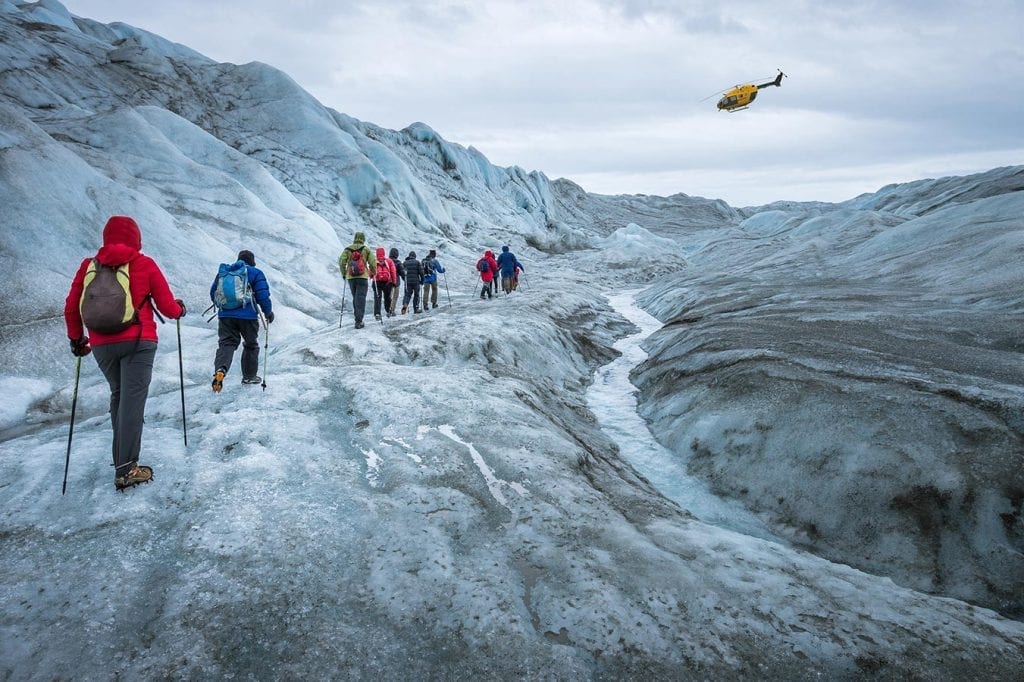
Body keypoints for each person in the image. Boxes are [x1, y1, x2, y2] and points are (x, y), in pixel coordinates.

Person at [63, 215, 186, 491]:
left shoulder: (88, 267)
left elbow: (72, 307)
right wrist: (180, 310)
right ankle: (126, 468)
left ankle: (122, 459)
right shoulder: (144, 264)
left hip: (102, 345)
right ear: (136, 238)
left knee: (119, 396)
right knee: (132, 401)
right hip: (139, 342)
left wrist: (76, 340)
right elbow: (167, 307)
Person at [210, 249, 273, 391]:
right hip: (248, 316)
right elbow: (263, 295)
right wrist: (268, 312)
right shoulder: (255, 273)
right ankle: (249, 377)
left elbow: (213, 293)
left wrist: (226, 307)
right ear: (252, 261)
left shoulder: (225, 273)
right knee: (251, 344)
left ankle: (221, 369)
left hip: (225, 316)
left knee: (227, 343)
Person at [338, 231, 377, 329]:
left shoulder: (347, 249)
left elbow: (342, 261)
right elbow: (372, 261)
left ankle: (357, 318)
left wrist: (344, 274)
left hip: (351, 277)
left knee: (355, 298)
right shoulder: (365, 249)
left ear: (355, 238)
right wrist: (373, 271)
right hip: (362, 277)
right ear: (363, 239)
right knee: (361, 298)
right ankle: (359, 321)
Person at [372, 246, 397, 320]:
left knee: (377, 298)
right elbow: (393, 272)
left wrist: (371, 276)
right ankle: (388, 311)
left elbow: (370, 273)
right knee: (387, 298)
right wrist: (394, 282)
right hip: (387, 282)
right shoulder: (389, 261)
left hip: (376, 282)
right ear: (384, 253)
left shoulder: (374, 261)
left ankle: (377, 313)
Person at [387, 247, 405, 316]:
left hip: (387, 282)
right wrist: (404, 278)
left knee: (389, 297)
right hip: (396, 282)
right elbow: (402, 272)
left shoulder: (387, 261)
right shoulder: (398, 262)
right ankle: (392, 310)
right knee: (395, 297)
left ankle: (388, 310)